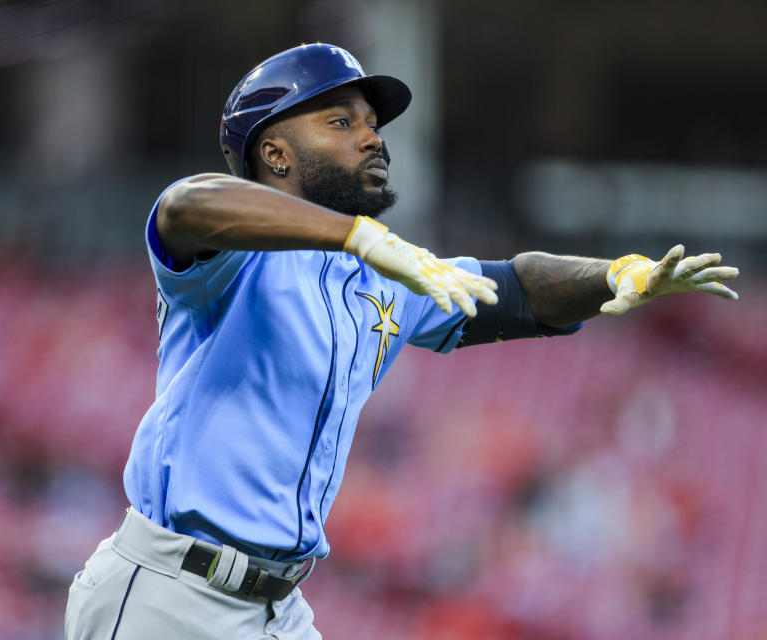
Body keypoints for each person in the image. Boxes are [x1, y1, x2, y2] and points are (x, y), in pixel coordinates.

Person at [64, 43, 739, 640]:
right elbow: (185, 206)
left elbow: (518, 288)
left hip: (275, 608)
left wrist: (620, 274)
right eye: (340, 122)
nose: (372, 138)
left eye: (372, 124)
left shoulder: (384, 273)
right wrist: (361, 234)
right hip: (172, 596)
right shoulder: (231, 258)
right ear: (273, 153)